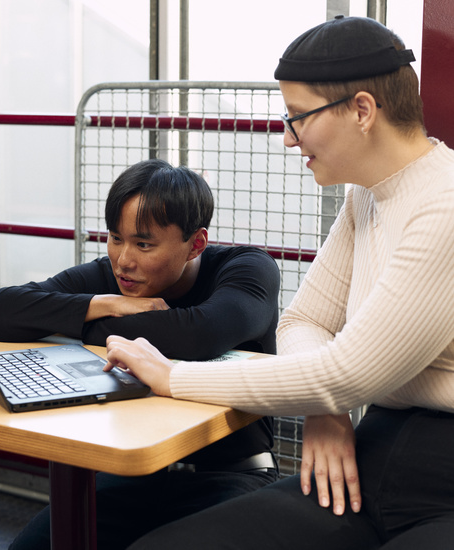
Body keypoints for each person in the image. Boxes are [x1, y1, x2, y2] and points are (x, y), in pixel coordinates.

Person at [100, 16, 454, 550]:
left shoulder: (444, 208)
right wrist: (326, 406)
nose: (288, 139)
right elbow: (305, 322)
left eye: (298, 118)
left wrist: (171, 376)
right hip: (368, 455)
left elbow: (346, 371)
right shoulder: (369, 195)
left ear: (362, 110)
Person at [0, 158, 281, 550]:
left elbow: (201, 334)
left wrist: (81, 326)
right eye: (116, 238)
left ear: (195, 244)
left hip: (228, 474)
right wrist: (100, 304)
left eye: (143, 244)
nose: (123, 260)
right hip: (131, 471)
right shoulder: (114, 279)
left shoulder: (246, 269)